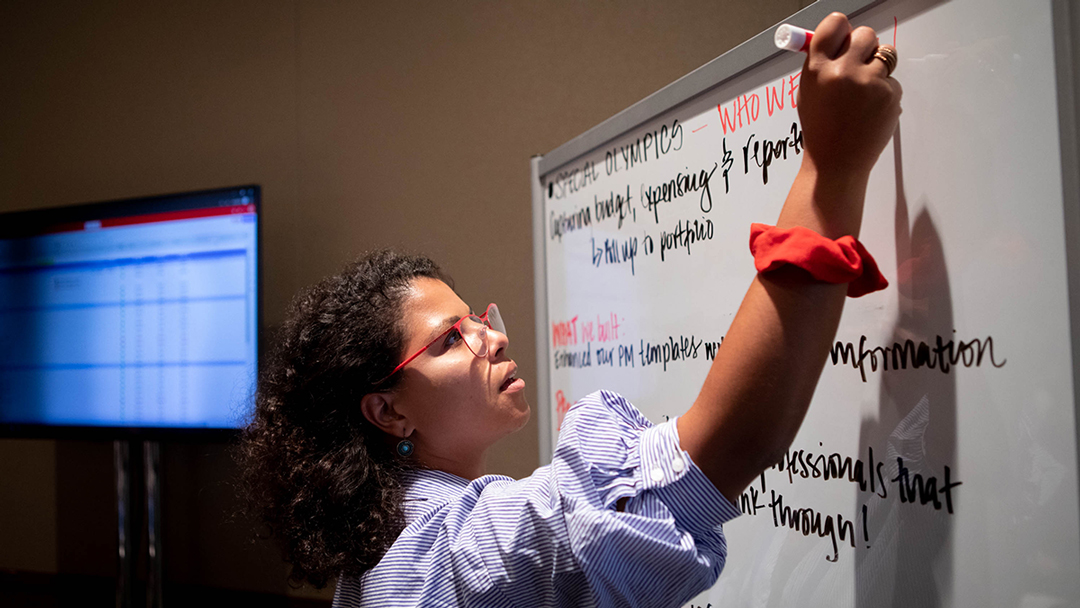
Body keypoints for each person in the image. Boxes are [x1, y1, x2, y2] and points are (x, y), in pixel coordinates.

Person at [237, 12, 902, 608]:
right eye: (448, 341)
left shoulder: (396, 546)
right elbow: (723, 450)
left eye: (476, 318)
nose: (490, 339)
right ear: (389, 411)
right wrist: (831, 166)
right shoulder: (460, 556)